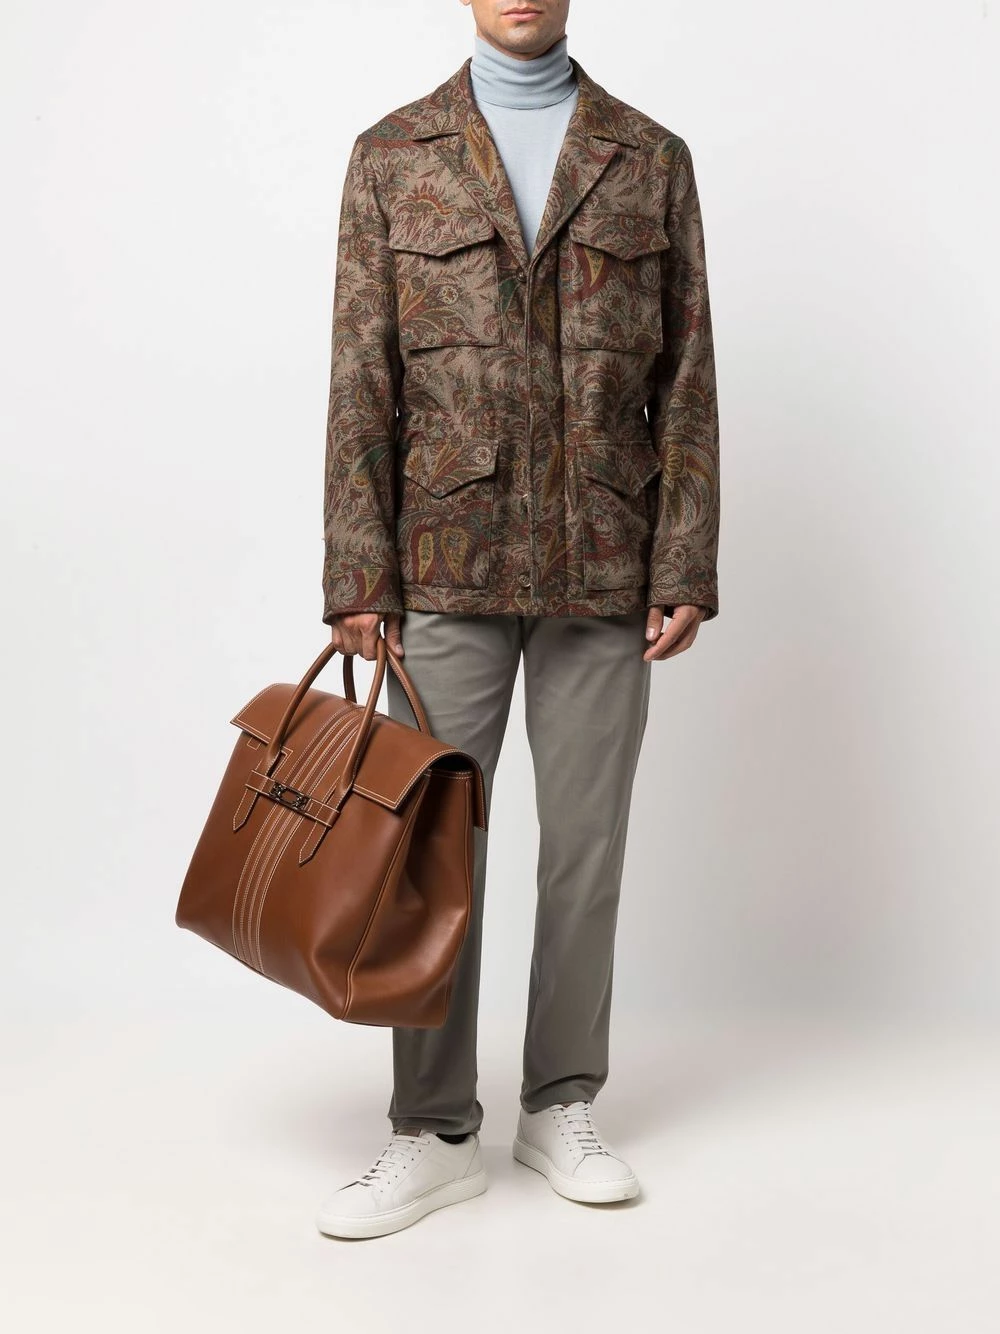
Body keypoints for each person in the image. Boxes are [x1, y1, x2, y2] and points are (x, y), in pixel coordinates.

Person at [316, 0, 720, 1240]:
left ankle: (560, 1103)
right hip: (443, 561)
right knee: (429, 853)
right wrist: (358, 572)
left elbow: (686, 375)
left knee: (584, 849)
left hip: (606, 558)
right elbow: (360, 375)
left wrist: (683, 557)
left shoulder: (648, 156)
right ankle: (433, 1128)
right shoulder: (394, 153)